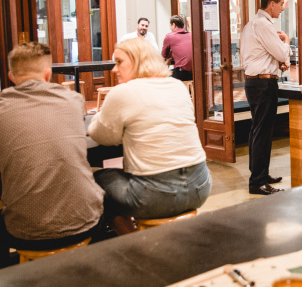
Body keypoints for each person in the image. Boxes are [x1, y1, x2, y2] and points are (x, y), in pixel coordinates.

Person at [0, 42, 104, 271]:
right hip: (87, 223)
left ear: (11, 76)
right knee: (103, 198)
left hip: (29, 233)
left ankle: (12, 282)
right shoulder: (74, 100)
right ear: (47, 73)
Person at [89, 37, 211, 221]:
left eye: (119, 62)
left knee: (96, 177)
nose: (114, 69)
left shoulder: (123, 92)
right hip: (200, 187)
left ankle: (125, 236)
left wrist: (101, 117)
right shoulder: (177, 86)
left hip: (153, 197)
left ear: (138, 61)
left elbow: (102, 136)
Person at [241, 0, 290, 196]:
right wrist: (286, 41)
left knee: (257, 130)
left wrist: (276, 63)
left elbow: (258, 54)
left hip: (254, 82)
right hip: (263, 85)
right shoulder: (264, 25)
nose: (282, 9)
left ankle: (260, 173)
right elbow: (281, 52)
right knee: (262, 132)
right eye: (281, 4)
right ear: (271, 4)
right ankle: (257, 181)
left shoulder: (251, 24)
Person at [161, 14, 193, 81]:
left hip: (181, 73)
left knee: (163, 76)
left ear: (174, 25)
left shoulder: (169, 36)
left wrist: (169, 59)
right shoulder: (191, 35)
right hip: (194, 72)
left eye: (170, 25)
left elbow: (163, 56)